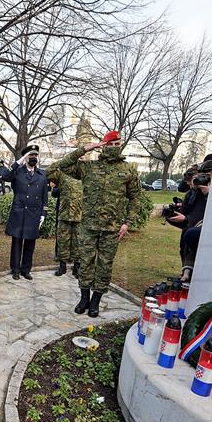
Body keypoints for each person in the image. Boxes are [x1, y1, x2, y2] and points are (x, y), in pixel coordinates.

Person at [48, 130, 141, 317]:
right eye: (110, 144)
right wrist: (85, 149)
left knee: (105, 265)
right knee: (85, 263)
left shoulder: (128, 170)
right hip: (88, 226)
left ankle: (96, 300)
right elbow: (63, 167)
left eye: (117, 144)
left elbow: (135, 198)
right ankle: (84, 298)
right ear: (103, 146)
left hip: (112, 228)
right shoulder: (88, 167)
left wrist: (127, 223)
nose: (114, 148)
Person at [1, 144, 48, 280]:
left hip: (34, 214)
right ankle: (15, 269)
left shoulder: (42, 174)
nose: (33, 158)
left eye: (35, 155)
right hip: (19, 213)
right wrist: (17, 163)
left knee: (30, 243)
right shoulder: (17, 172)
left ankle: (26, 270)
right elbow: (5, 177)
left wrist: (43, 214)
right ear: (25, 157)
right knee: (17, 243)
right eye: (30, 155)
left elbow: (45, 196)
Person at [167, 158, 212, 281]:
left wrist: (209, 193)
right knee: (186, 246)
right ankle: (185, 274)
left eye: (207, 175)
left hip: (202, 228)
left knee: (194, 245)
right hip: (190, 225)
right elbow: (187, 207)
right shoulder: (194, 190)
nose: (204, 178)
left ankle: (191, 276)